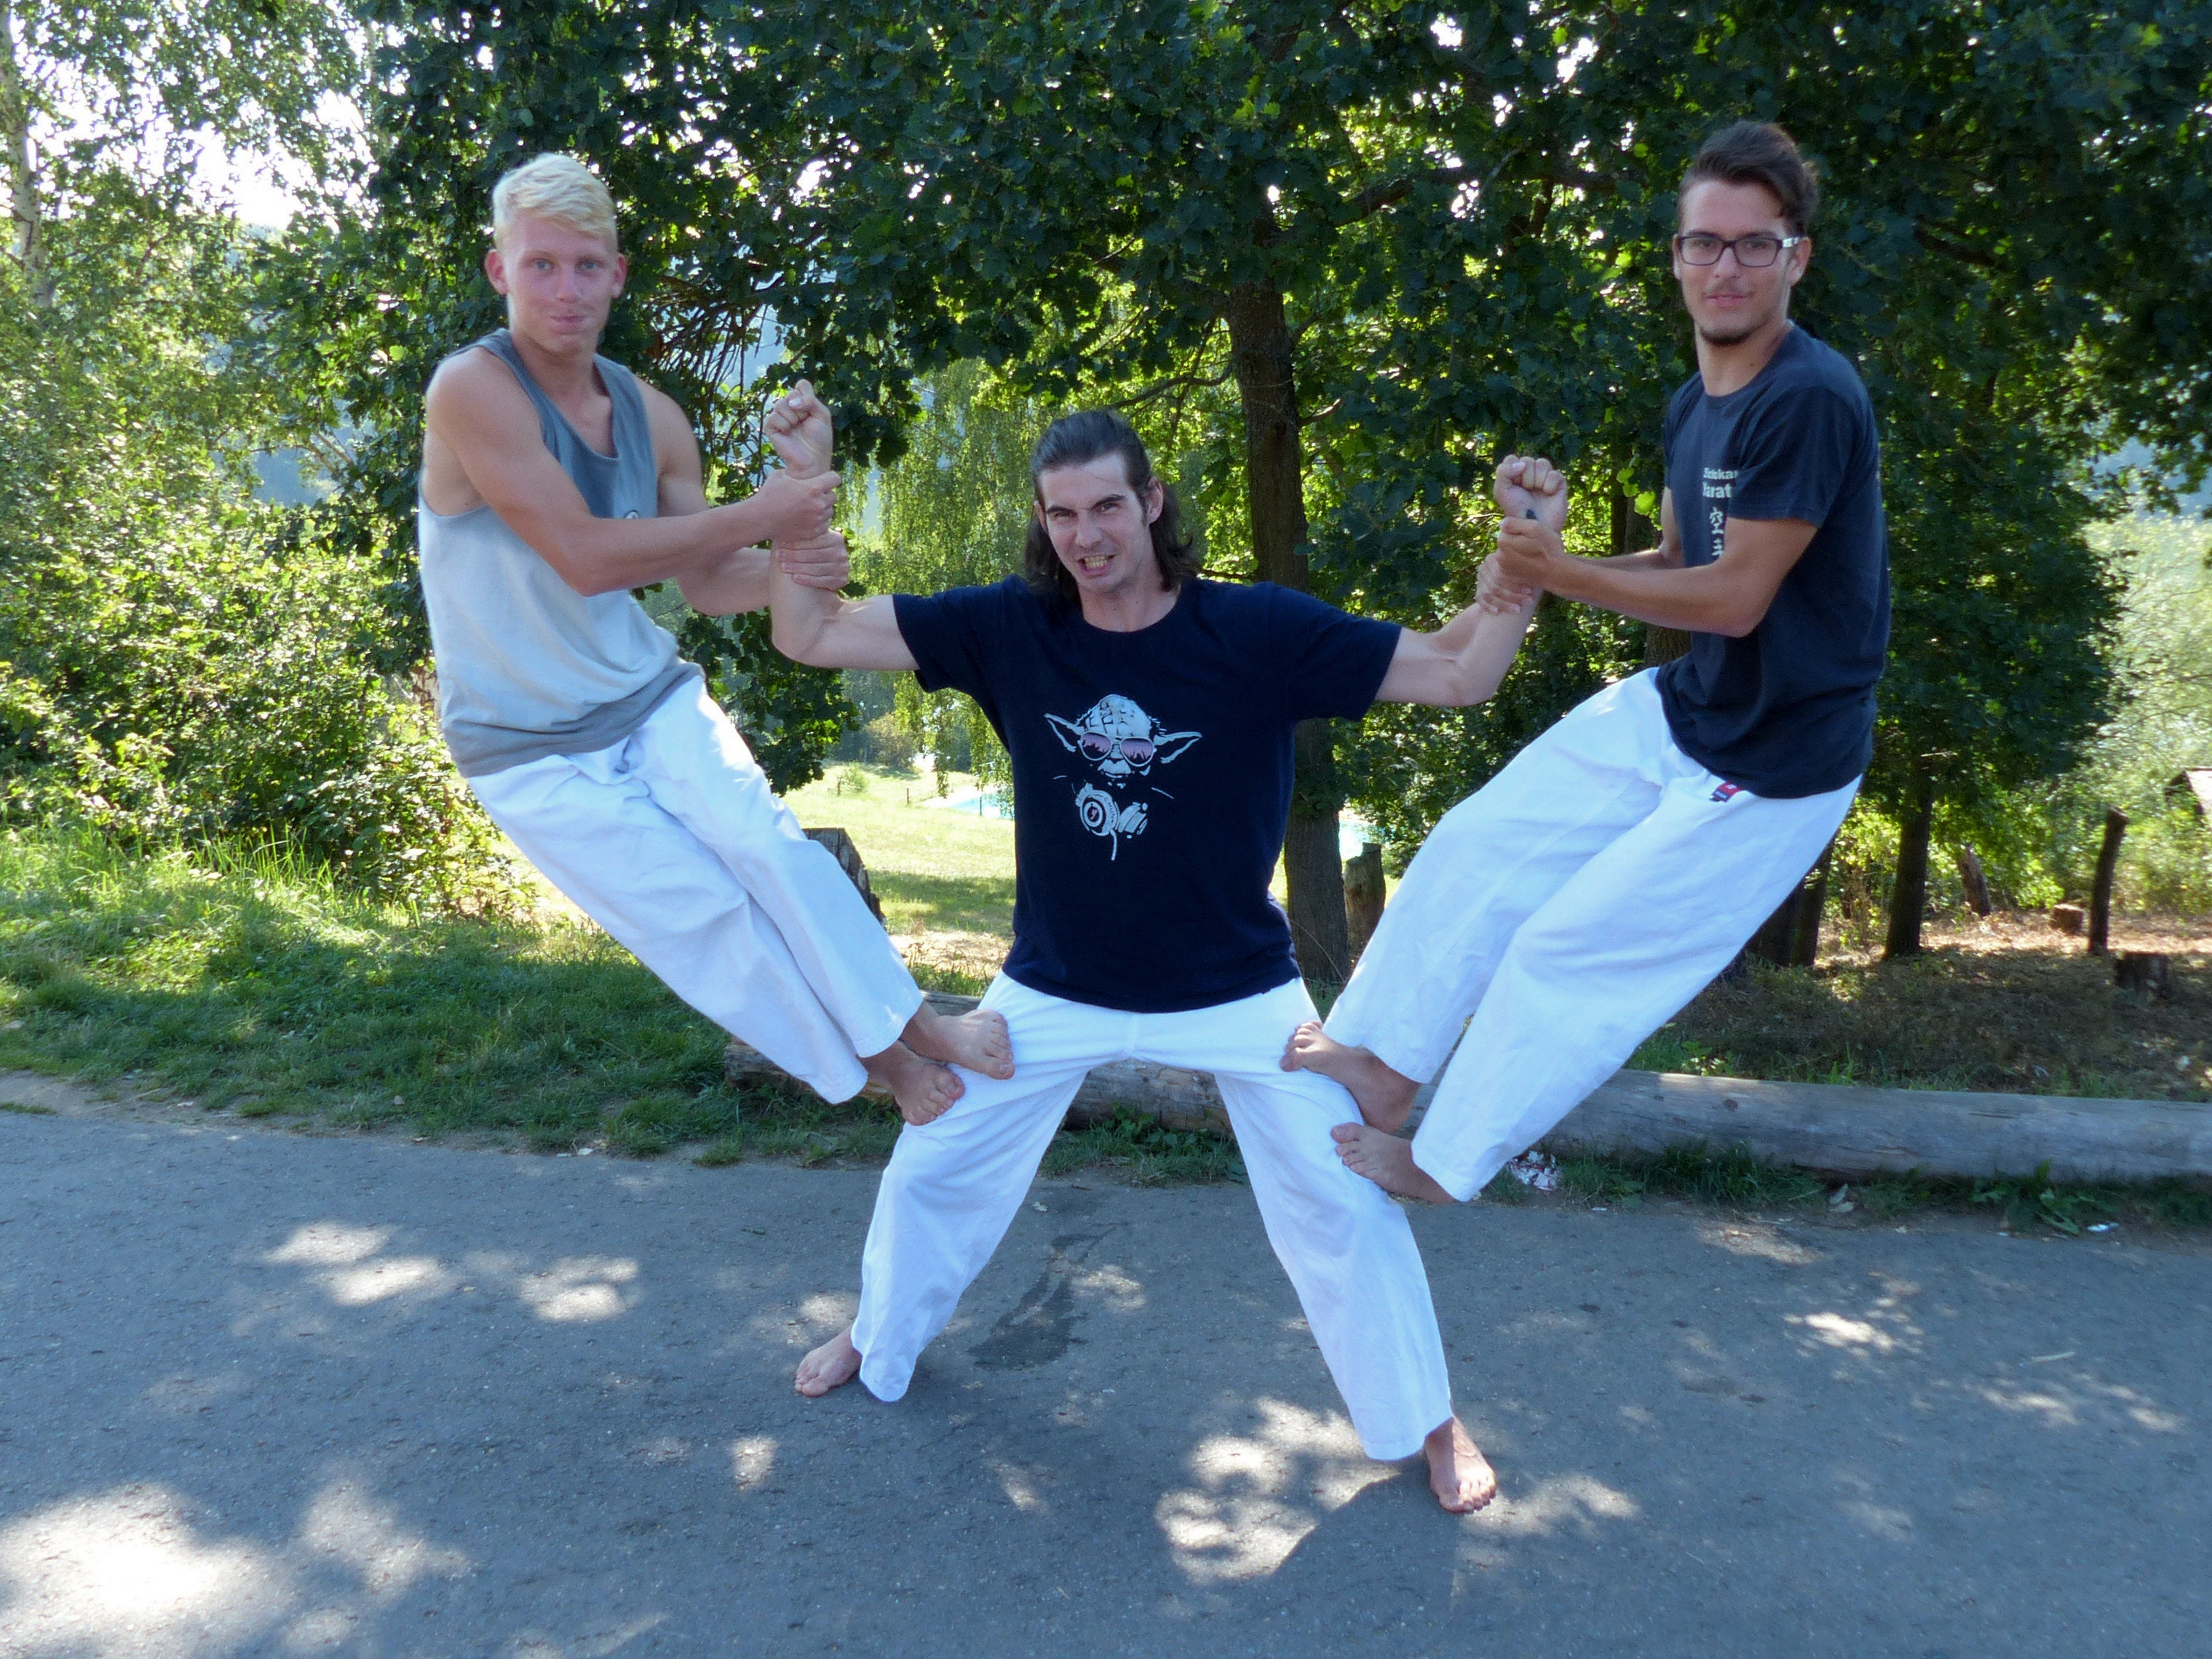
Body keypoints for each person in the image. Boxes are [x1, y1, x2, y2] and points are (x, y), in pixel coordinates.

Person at [760, 390, 1539, 1513]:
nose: (1085, 536)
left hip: (1237, 988)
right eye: (1061, 514)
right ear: (1043, 522)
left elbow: (1463, 674)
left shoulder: (1255, 630)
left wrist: (1519, 572)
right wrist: (803, 492)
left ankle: (1427, 1419)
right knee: (936, 1164)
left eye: (1106, 508)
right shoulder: (1012, 626)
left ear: (1153, 502)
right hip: (1055, 982)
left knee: (1344, 1193)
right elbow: (809, 634)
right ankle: (878, 1336)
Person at [1288, 120, 1887, 1205]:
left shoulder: (1809, 397)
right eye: (1704, 243)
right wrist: (1542, 556)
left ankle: (1443, 1162)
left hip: (1778, 763)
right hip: (1692, 705)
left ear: (1796, 257)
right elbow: (1680, 559)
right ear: (1676, 257)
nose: (1726, 267)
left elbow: (1736, 598)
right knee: (1477, 847)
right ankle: (1380, 1067)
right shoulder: (1695, 402)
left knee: (1563, 954)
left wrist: (1555, 571)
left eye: (1754, 244)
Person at [415, 152, 1010, 1123]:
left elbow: (708, 582)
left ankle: (924, 1028)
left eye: (587, 265)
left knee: (771, 851)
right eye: (541, 265)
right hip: (522, 747)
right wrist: (768, 515)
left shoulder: (653, 416)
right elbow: (585, 557)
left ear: (618, 274)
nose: (566, 290)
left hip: (646, 698)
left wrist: (798, 536)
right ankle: (888, 1067)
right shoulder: (471, 391)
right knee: (706, 916)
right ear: (499, 272)